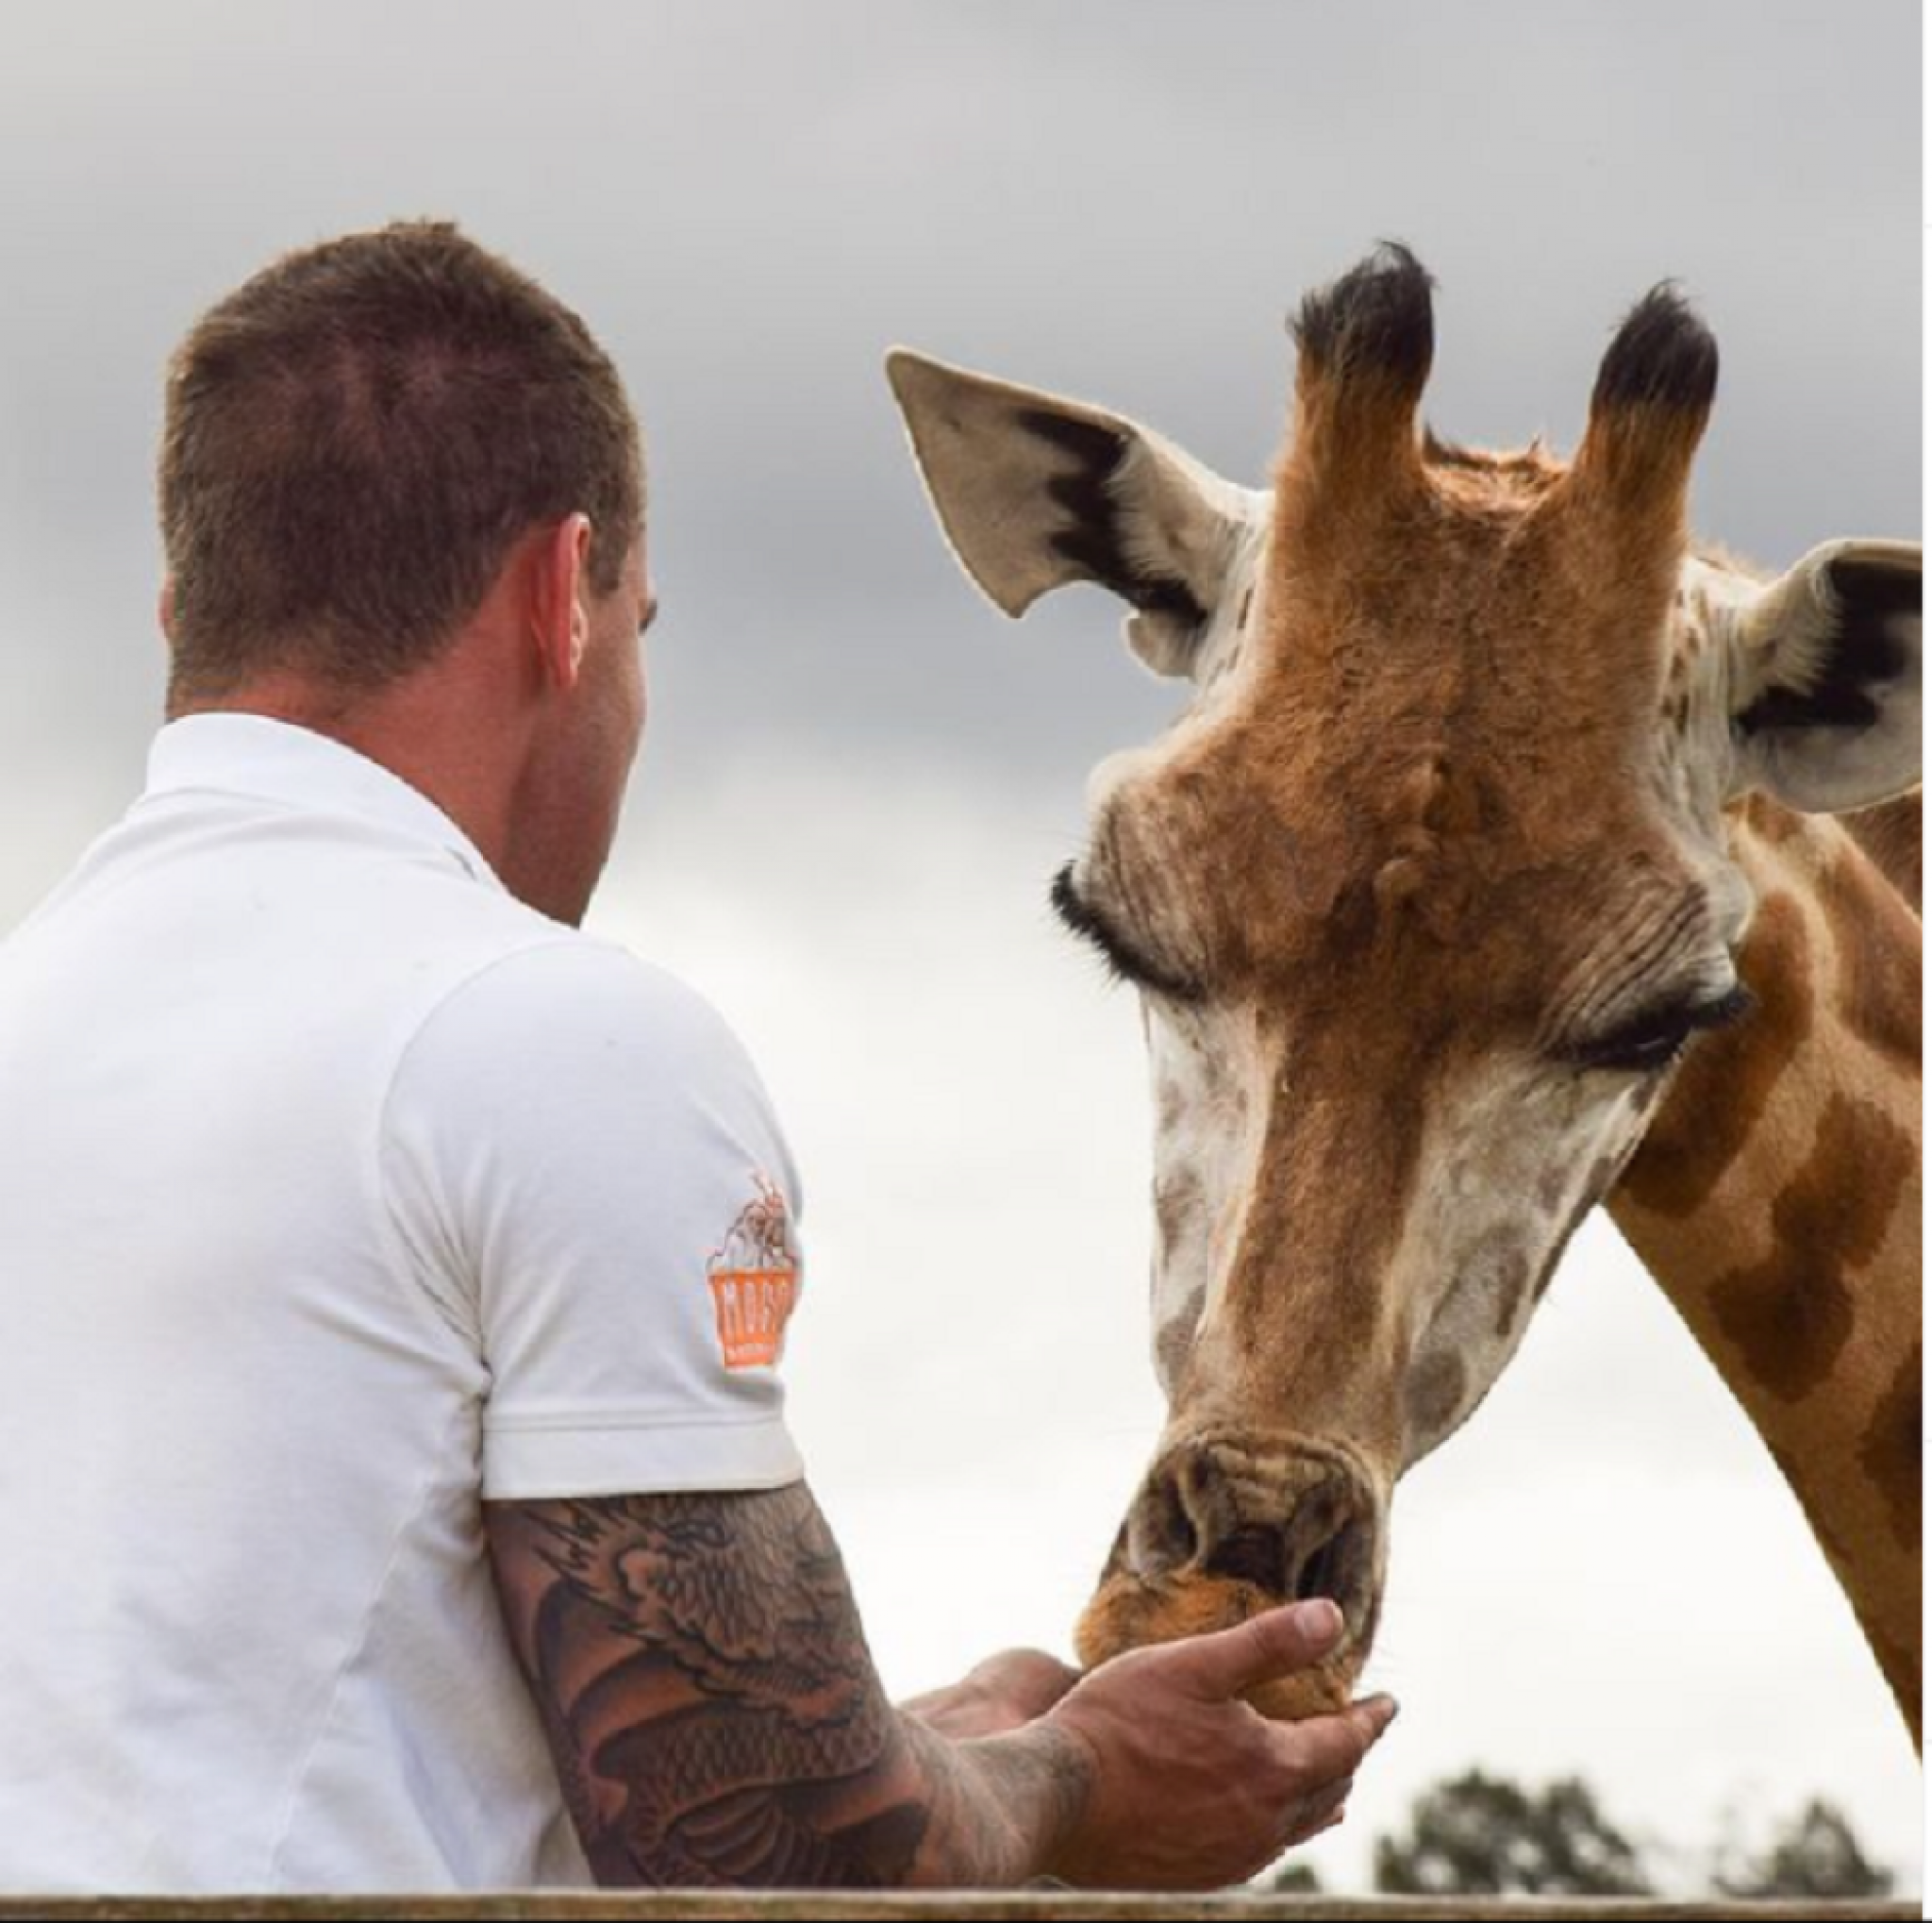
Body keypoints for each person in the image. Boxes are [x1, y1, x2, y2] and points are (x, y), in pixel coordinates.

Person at [0, 221, 1395, 1896]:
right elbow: (759, 1837)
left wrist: (931, 1750)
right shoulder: (548, 1038)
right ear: (556, 598)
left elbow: (232, 1728)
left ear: (181, 610)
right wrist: (1086, 1778)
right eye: (638, 621)